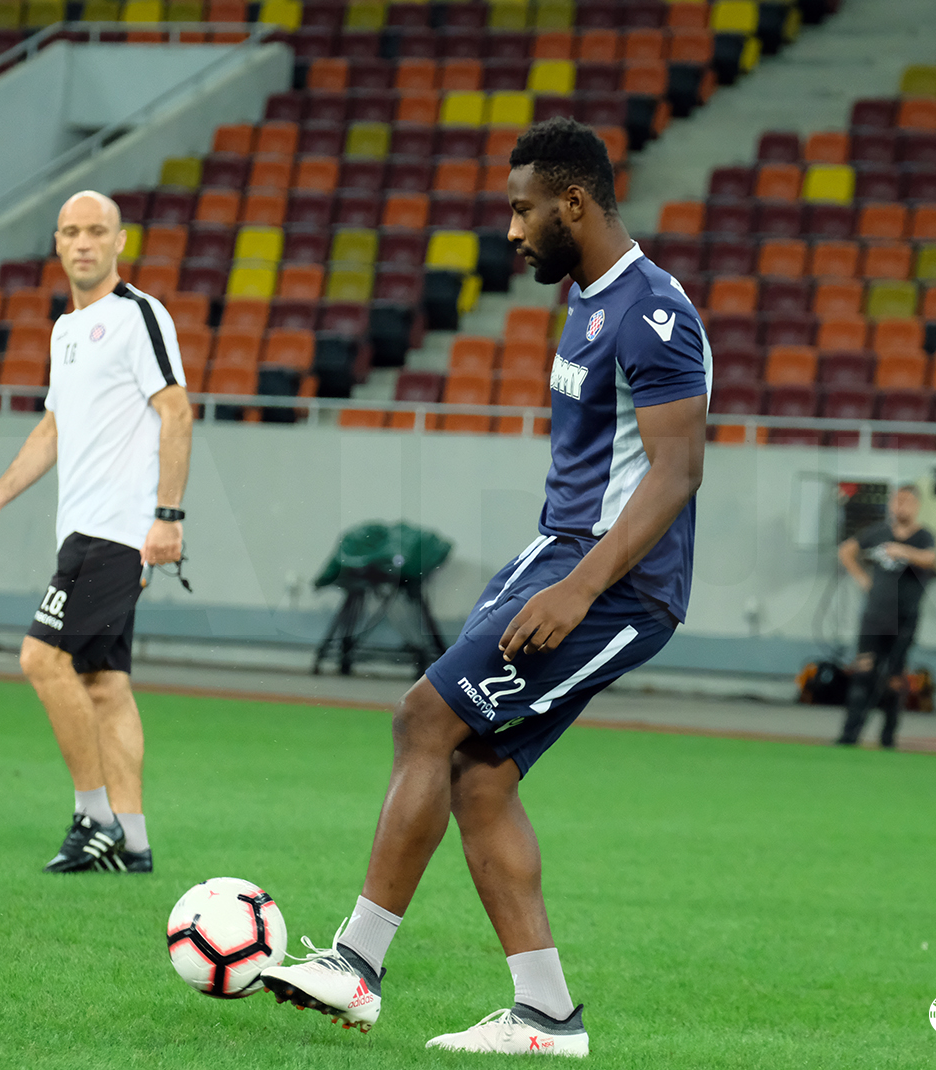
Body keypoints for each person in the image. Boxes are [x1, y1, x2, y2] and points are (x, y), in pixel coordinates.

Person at [259, 117, 710, 1057]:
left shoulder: (654, 312)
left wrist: (577, 591)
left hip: (617, 587)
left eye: (522, 209)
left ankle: (354, 966)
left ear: (573, 203)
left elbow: (673, 474)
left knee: (423, 719)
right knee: (478, 771)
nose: (510, 229)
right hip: (555, 560)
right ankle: (545, 1016)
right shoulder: (588, 302)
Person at [0, 191, 191, 873]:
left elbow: (176, 412)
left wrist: (168, 517)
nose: (84, 243)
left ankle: (95, 817)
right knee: (104, 682)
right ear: (57, 244)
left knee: (41, 658)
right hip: (82, 530)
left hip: (118, 533)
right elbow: (55, 425)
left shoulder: (139, 316)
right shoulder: (65, 330)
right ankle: (134, 842)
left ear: (120, 242)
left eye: (97, 231)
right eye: (71, 232)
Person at [835, 485, 936, 749]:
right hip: (874, 616)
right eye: (897, 501)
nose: (900, 506)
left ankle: (888, 737)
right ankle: (849, 735)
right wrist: (862, 578)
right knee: (863, 672)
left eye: (906, 501)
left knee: (894, 677)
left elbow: (930, 559)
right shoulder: (878, 532)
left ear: (916, 505)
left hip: (904, 618)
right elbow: (846, 550)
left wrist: (903, 551)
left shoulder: (924, 537)